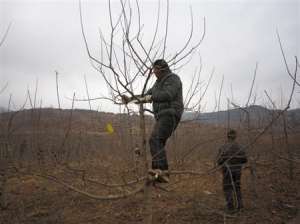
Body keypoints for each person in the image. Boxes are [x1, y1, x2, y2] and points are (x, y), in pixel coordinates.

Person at [122, 59, 184, 183]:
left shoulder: (173, 79)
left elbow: (168, 95)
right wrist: (130, 99)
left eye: (155, 70)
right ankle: (157, 172)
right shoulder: (157, 84)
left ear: (161, 69)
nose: (154, 73)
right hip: (161, 116)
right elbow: (146, 96)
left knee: (155, 139)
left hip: (170, 113)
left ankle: (162, 170)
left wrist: (151, 97)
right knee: (156, 141)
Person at [216, 129, 248, 213]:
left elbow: (219, 161)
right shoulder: (241, 147)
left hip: (227, 171)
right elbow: (245, 160)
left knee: (227, 188)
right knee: (237, 187)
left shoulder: (223, 147)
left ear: (227, 136)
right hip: (238, 171)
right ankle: (240, 206)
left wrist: (224, 162)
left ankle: (231, 208)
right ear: (235, 137)